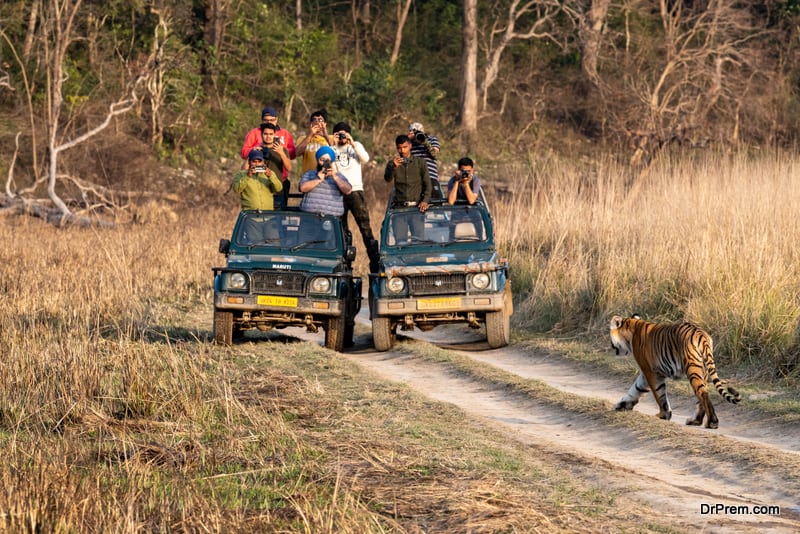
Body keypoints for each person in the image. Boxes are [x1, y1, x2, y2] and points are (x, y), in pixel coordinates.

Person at [331, 121, 380, 272]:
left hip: (356, 190)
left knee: (365, 226)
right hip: (338, 191)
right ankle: (344, 263)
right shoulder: (331, 149)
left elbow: (365, 159)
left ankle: (374, 261)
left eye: (344, 134)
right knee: (341, 228)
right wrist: (332, 144)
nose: (342, 137)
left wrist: (352, 143)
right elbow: (328, 165)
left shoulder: (355, 145)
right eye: (339, 134)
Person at [384, 134, 431, 242]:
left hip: (416, 209)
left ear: (410, 146)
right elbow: (387, 179)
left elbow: (428, 185)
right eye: (399, 148)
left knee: (418, 242)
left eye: (405, 147)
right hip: (399, 209)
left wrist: (425, 201)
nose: (402, 151)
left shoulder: (420, 163)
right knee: (400, 242)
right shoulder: (392, 163)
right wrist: (393, 167)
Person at [232, 148, 284, 243]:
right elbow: (236, 189)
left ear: (263, 162)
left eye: (259, 161)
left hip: (269, 217)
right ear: (249, 162)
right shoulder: (241, 174)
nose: (256, 164)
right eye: (254, 161)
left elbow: (279, 188)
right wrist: (248, 175)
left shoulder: (269, 174)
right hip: (252, 218)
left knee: (275, 244)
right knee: (255, 245)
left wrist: (270, 176)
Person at [299, 146, 352, 216]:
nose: (324, 163)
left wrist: (335, 177)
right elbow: (302, 188)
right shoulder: (309, 174)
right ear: (318, 160)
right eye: (322, 159)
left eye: (327, 160)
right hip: (309, 216)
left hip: (331, 219)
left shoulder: (339, 176)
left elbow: (348, 191)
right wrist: (318, 180)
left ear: (331, 162)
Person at [241, 106, 296, 172]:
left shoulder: (285, 134)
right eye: (266, 120)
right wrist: (255, 150)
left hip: (280, 175)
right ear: (262, 120)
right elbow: (243, 153)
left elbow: (292, 155)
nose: (269, 122)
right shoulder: (253, 133)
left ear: (276, 119)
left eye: (272, 120)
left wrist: (281, 151)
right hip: (259, 172)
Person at [260, 122, 293, 209]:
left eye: (271, 134)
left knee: (277, 220)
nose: (268, 136)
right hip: (261, 191)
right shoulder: (257, 150)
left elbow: (289, 168)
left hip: (277, 191)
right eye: (265, 134)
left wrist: (281, 153)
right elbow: (244, 169)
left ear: (275, 134)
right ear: (262, 134)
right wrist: (253, 154)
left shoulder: (282, 150)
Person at [408, 121, 442, 198]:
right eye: (412, 131)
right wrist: (407, 140)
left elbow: (435, 154)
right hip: (415, 179)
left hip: (430, 177)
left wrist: (424, 142)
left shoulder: (431, 139)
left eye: (417, 131)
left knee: (436, 200)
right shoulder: (409, 144)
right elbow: (403, 156)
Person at [294, 109, 332, 174]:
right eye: (314, 120)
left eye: (320, 120)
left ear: (325, 124)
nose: (317, 122)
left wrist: (326, 135)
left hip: (326, 177)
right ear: (311, 124)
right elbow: (297, 153)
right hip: (308, 177)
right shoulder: (303, 138)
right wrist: (310, 134)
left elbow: (337, 154)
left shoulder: (331, 138)